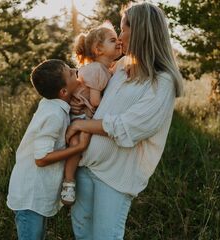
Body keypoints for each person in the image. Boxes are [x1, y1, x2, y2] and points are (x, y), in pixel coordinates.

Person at [65, 2, 184, 239]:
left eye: (123, 29)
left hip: (115, 177)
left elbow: (131, 127)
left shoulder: (162, 81)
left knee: (105, 236)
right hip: (86, 165)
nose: (120, 36)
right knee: (82, 234)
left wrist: (80, 125)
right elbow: (94, 89)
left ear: (139, 31)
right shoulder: (120, 67)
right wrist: (78, 99)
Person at [6, 59, 90, 240]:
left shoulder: (53, 105)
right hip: (31, 195)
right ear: (63, 92)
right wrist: (79, 147)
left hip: (36, 192)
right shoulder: (53, 115)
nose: (76, 70)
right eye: (70, 73)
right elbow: (41, 158)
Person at [60, 22, 122, 205]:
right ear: (98, 49)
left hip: (84, 114)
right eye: (113, 40)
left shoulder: (105, 68)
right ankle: (68, 181)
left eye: (118, 39)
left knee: (80, 145)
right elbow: (95, 101)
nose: (118, 42)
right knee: (75, 145)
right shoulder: (96, 70)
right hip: (80, 114)